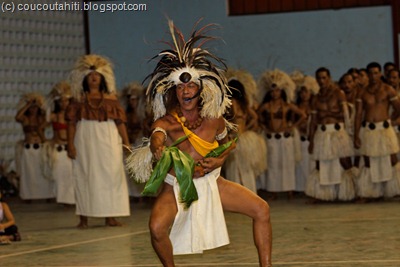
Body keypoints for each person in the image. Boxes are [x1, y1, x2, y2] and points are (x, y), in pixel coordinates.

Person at [128, 20, 272, 267]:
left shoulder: (214, 119)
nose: (185, 90)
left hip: (212, 182)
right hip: (177, 187)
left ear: (200, 89)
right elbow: (157, 136)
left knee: (262, 210)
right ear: (174, 91)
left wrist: (219, 159)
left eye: (191, 84)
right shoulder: (167, 121)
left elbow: (228, 143)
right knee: (156, 227)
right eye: (180, 86)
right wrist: (157, 147)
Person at [66, 54, 130, 228]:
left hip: (108, 139)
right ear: (84, 79)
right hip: (85, 139)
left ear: (103, 79)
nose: (94, 78)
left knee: (111, 174)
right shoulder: (77, 100)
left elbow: (120, 123)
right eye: (90, 75)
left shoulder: (111, 100)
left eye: (97, 75)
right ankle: (84, 217)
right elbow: (71, 123)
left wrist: (126, 143)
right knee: (85, 175)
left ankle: (110, 216)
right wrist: (70, 144)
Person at [306, 67, 356, 202]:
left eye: (324, 78)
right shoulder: (315, 98)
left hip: (337, 132)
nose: (321, 81)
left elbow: (345, 114)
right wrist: (311, 140)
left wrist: (328, 114)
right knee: (320, 164)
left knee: (344, 162)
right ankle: (322, 195)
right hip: (321, 133)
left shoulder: (339, 93)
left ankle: (349, 193)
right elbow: (314, 121)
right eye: (319, 78)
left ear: (329, 78)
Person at [354, 62, 400, 201]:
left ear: (380, 73)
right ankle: (370, 192)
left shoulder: (388, 90)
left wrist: (391, 119)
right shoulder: (362, 92)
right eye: (370, 73)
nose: (373, 76)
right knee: (368, 161)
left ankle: (396, 189)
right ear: (367, 75)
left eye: (376, 73)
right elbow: (358, 114)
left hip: (385, 129)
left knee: (392, 159)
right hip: (368, 129)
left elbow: (398, 108)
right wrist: (356, 135)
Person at [257, 69, 306, 200]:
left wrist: (293, 126)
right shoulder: (266, 106)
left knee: (287, 164)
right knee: (273, 164)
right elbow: (257, 117)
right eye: (272, 91)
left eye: (277, 90)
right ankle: (273, 192)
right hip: (272, 138)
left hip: (285, 138)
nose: (275, 93)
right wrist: (264, 127)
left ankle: (289, 191)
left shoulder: (287, 105)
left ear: (282, 91)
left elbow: (303, 115)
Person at [223, 68, 267, 193]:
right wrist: (247, 128)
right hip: (244, 138)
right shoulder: (244, 103)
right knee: (245, 168)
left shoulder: (231, 104)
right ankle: (249, 192)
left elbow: (231, 119)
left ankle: (238, 195)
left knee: (236, 167)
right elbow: (255, 117)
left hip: (236, 138)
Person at [15, 93, 54, 202]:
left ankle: (47, 195)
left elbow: (49, 118)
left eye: (35, 107)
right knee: (29, 174)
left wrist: (41, 105)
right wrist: (28, 104)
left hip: (40, 148)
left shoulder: (42, 119)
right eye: (32, 108)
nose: (33, 110)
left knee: (43, 172)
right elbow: (17, 117)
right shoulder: (25, 119)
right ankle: (28, 196)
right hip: (29, 149)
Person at [43, 81, 75, 206]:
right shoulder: (54, 116)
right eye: (61, 101)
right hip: (58, 149)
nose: (64, 103)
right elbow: (41, 127)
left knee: (71, 175)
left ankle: (72, 200)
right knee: (60, 175)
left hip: (70, 148)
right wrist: (46, 140)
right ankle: (63, 200)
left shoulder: (73, 116)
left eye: (66, 101)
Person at [291, 71, 319, 193]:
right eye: (301, 92)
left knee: (311, 165)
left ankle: (312, 189)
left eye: (306, 91)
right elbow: (292, 122)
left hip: (312, 139)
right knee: (301, 164)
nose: (304, 94)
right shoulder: (296, 107)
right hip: (300, 139)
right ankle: (301, 189)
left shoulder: (315, 106)